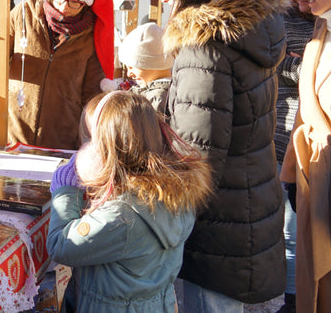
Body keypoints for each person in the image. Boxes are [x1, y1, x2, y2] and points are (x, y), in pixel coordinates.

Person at [154, 0, 289, 311]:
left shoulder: (205, 48)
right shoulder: (249, 32)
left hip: (221, 221)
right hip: (248, 198)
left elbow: (197, 154)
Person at [47, 91, 212, 313]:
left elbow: (61, 246)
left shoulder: (122, 216)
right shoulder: (173, 192)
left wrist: (66, 190)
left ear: (107, 151)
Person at [281, 0, 331, 313]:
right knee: (310, 273)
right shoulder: (320, 31)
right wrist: (290, 175)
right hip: (313, 172)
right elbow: (305, 114)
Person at [8, 0, 114, 150]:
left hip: (61, 137)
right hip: (13, 130)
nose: (64, 7)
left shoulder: (90, 37)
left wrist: (89, 140)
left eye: (74, 2)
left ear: (86, 4)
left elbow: (91, 95)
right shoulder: (23, 15)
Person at [274, 0, 316, 313]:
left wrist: (290, 63)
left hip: (317, 146)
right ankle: (292, 299)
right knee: (288, 231)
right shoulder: (280, 19)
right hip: (277, 141)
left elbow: (320, 79)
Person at [117, 22, 173, 119]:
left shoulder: (157, 99)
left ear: (152, 64)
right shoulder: (154, 93)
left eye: (132, 67)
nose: (129, 74)